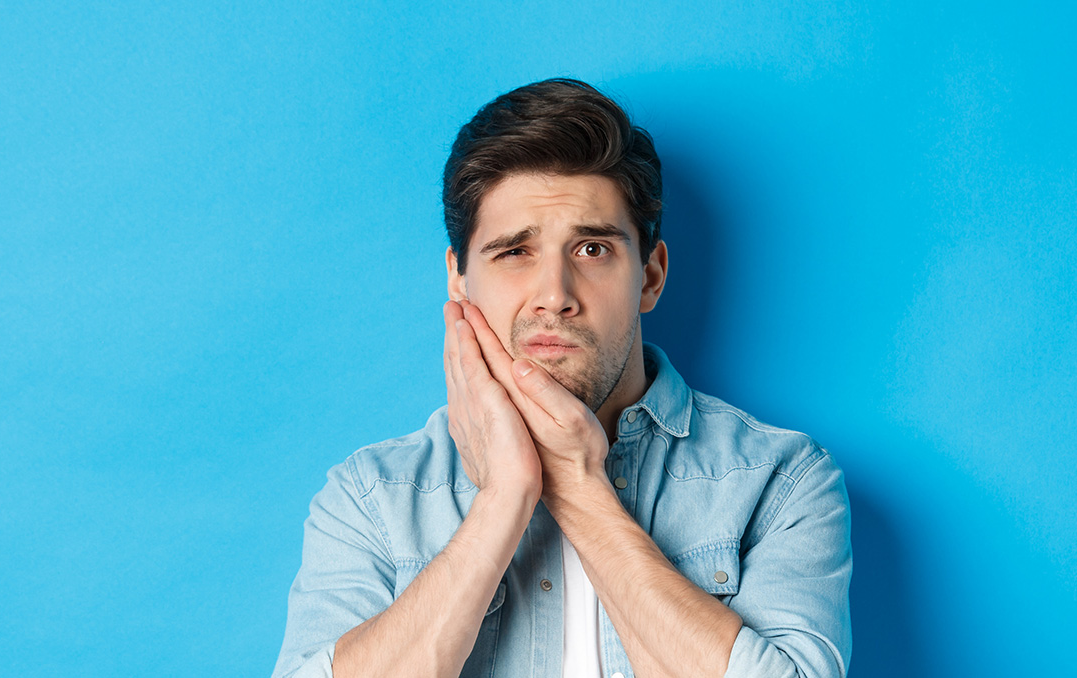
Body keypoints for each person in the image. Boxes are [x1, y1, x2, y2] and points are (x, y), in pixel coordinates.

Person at [272, 78, 852, 678]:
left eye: (593, 249)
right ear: (459, 279)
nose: (554, 296)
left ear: (650, 276)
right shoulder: (372, 498)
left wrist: (574, 484)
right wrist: (504, 496)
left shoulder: (779, 482)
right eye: (514, 252)